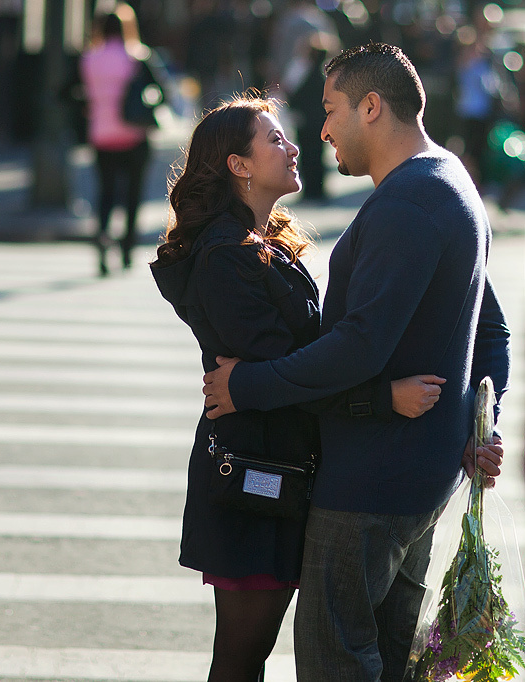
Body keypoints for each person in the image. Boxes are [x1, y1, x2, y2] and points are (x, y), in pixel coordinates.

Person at [201, 44, 510, 681]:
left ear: (371, 107)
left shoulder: (406, 205)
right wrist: (480, 423)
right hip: (416, 478)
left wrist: (249, 385)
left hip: (368, 488)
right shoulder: (447, 177)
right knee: (385, 664)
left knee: (333, 662)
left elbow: (357, 347)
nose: (322, 130)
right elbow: (493, 333)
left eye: (331, 108)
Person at [149, 95, 445, 682]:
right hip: (252, 478)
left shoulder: (263, 243)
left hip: (277, 469)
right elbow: (287, 376)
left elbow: (295, 368)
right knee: (241, 654)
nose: (292, 146)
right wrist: (383, 397)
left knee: (247, 652)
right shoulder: (224, 259)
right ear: (240, 165)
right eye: (275, 139)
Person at [79, 5, 159, 276]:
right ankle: (126, 249)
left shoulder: (89, 58)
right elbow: (161, 90)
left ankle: (102, 238)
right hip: (135, 135)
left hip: (101, 136)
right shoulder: (138, 57)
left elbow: (67, 92)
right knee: (133, 195)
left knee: (106, 193)